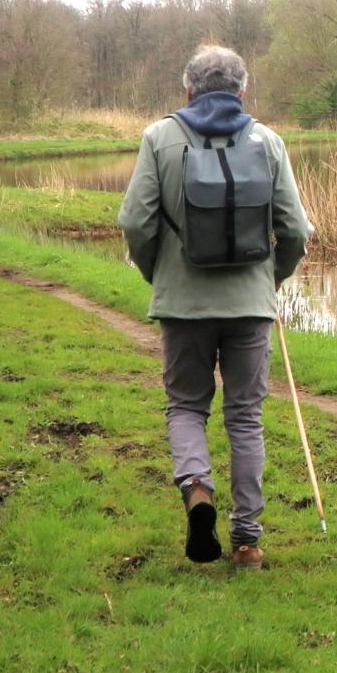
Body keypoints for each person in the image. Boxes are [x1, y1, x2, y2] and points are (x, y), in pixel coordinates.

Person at [119, 44, 312, 569]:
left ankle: (197, 488)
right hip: (250, 303)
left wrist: (156, 272)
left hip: (183, 303)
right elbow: (295, 229)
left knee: (186, 406)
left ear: (188, 90)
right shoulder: (267, 141)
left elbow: (136, 223)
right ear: (242, 90)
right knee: (245, 417)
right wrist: (272, 276)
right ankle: (247, 540)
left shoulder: (160, 138)